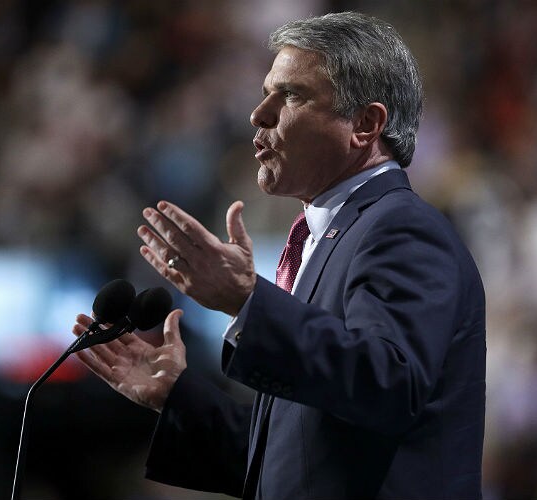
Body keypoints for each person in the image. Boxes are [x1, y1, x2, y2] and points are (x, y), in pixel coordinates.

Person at [73, 11, 486, 499]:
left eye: (290, 95)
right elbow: (296, 463)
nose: (258, 113)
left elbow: (388, 386)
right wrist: (179, 395)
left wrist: (248, 302)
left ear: (365, 124)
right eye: (266, 91)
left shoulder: (402, 228)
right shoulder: (329, 236)